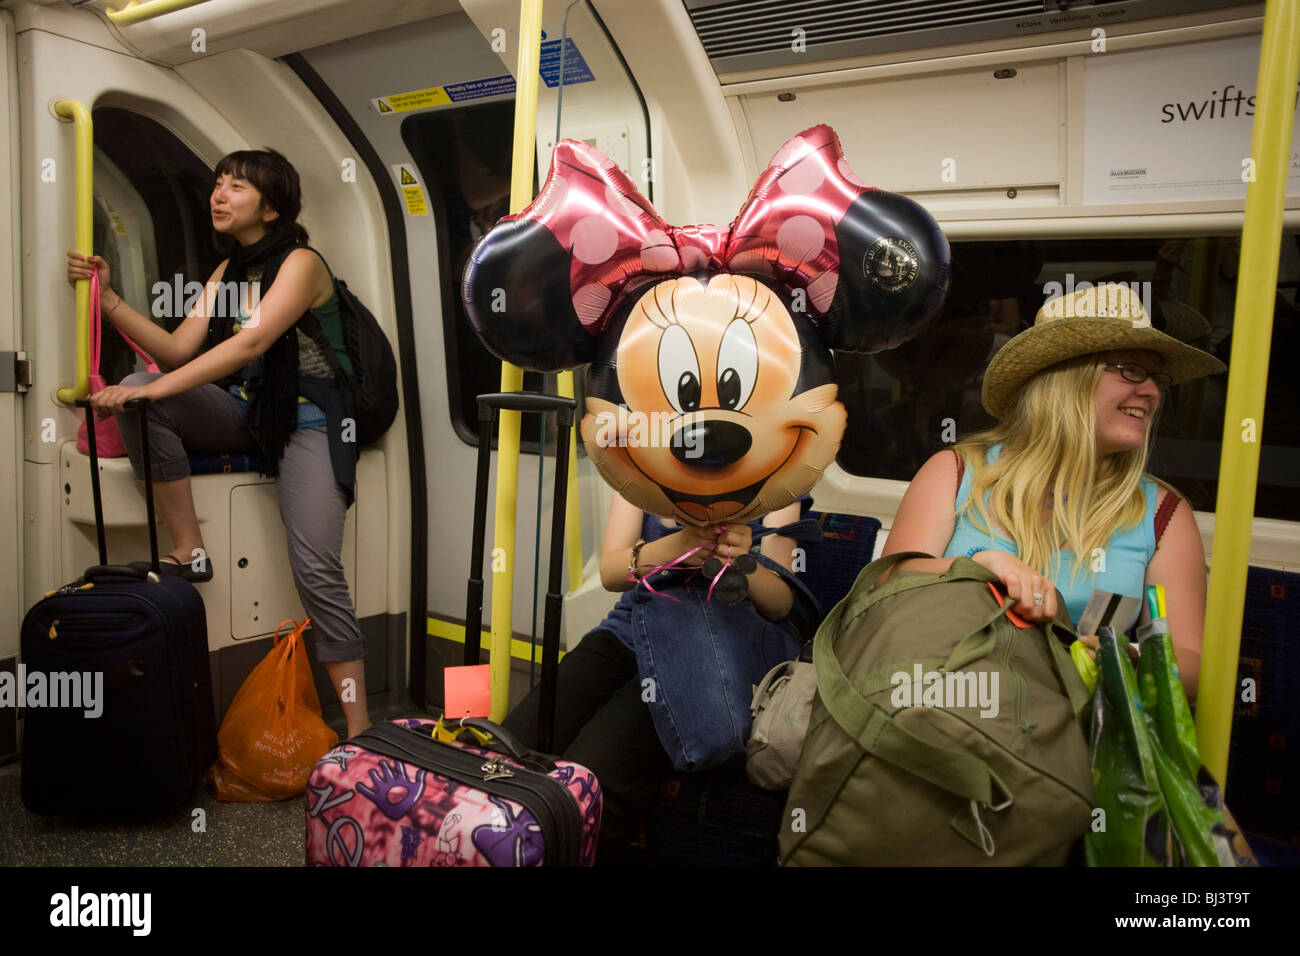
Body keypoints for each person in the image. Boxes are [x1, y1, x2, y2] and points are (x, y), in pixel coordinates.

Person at [65, 148, 371, 739]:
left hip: (310, 419)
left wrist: (152, 396)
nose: (218, 195)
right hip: (250, 410)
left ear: (272, 206)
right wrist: (109, 300)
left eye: (236, 186)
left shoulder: (301, 263)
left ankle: (358, 732)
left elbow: (249, 347)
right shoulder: (226, 274)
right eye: (217, 184)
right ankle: (190, 548)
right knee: (137, 383)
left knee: (316, 568)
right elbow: (179, 352)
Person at [882, 283, 1225, 699]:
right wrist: (980, 569)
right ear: (1067, 376)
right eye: (1131, 369)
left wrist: (1128, 658)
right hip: (947, 704)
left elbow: (1194, 664)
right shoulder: (957, 472)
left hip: (1074, 728)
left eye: (1158, 377)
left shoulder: (1161, 513)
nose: (1152, 391)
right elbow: (887, 586)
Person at [501, 491, 817, 864]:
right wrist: (675, 547)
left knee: (591, 785)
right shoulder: (645, 455)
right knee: (508, 751)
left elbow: (782, 603)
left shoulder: (777, 467)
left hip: (710, 648)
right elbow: (613, 572)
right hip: (630, 628)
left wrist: (740, 560)